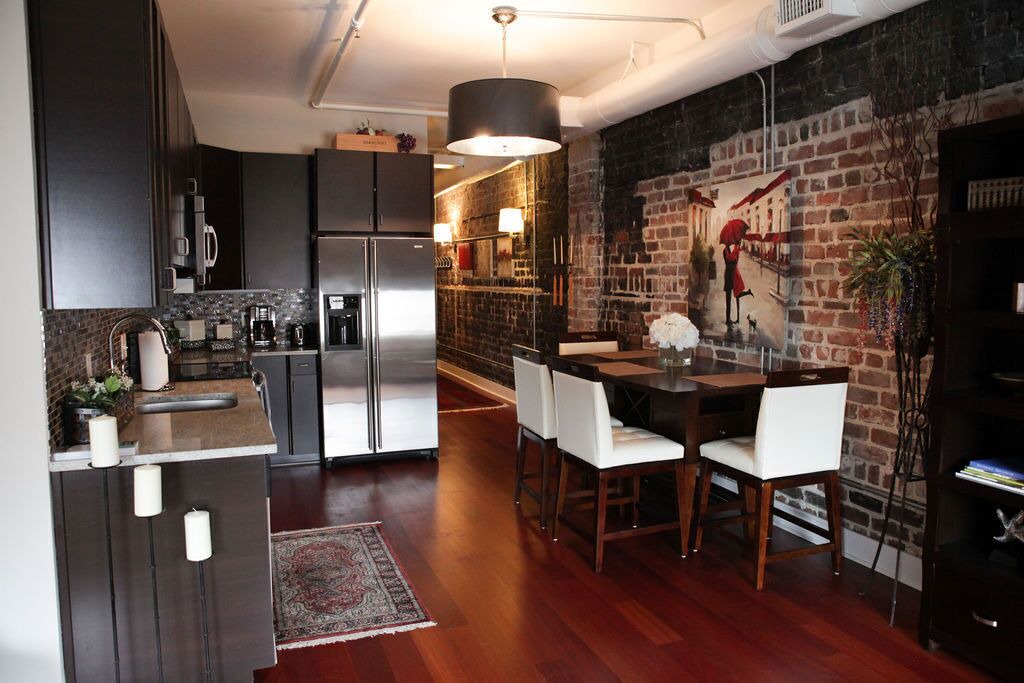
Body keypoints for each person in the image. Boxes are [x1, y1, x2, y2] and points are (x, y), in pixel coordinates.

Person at [723, 242, 753, 325]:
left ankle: (732, 319)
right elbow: (728, 261)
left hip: (732, 275)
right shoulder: (726, 250)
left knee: (736, 294)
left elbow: (731, 260)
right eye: (729, 241)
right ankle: (728, 319)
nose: (730, 243)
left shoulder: (730, 250)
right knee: (729, 298)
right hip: (729, 276)